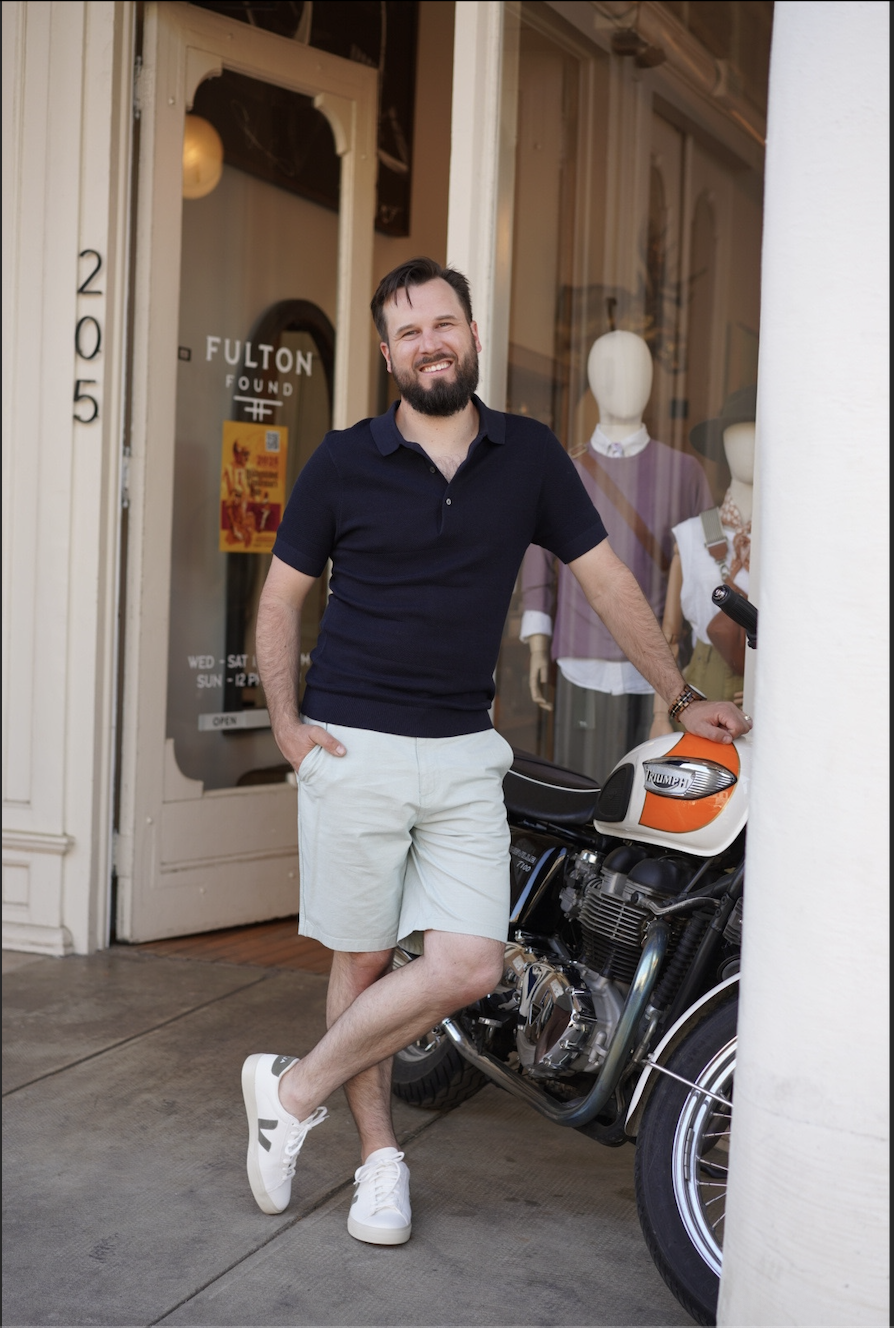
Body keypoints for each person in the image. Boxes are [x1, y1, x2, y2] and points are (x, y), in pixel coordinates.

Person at [244, 257, 751, 1245]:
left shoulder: (527, 457)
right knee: (363, 954)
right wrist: (287, 725)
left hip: (466, 746)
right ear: (388, 352)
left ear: (471, 335)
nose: (430, 341)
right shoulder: (345, 460)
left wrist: (683, 695)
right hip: (354, 743)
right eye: (409, 329)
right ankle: (379, 1159)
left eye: (444, 322)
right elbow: (278, 599)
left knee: (468, 962)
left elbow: (605, 580)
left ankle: (291, 1087)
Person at [521, 330, 713, 781]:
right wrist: (537, 643)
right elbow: (538, 558)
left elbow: (706, 568)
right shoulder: (563, 468)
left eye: (637, 370)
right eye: (608, 370)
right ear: (591, 381)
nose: (622, 381)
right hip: (578, 658)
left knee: (644, 793)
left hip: (658, 667)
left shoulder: (683, 472)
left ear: (651, 382)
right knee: (578, 788)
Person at [650, 387, 756, 738]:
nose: (749, 446)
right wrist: (659, 715)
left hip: (767, 698)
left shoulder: (789, 542)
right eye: (739, 435)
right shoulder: (694, 535)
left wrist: (767, 686)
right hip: (701, 696)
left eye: (759, 435)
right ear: (722, 445)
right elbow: (669, 634)